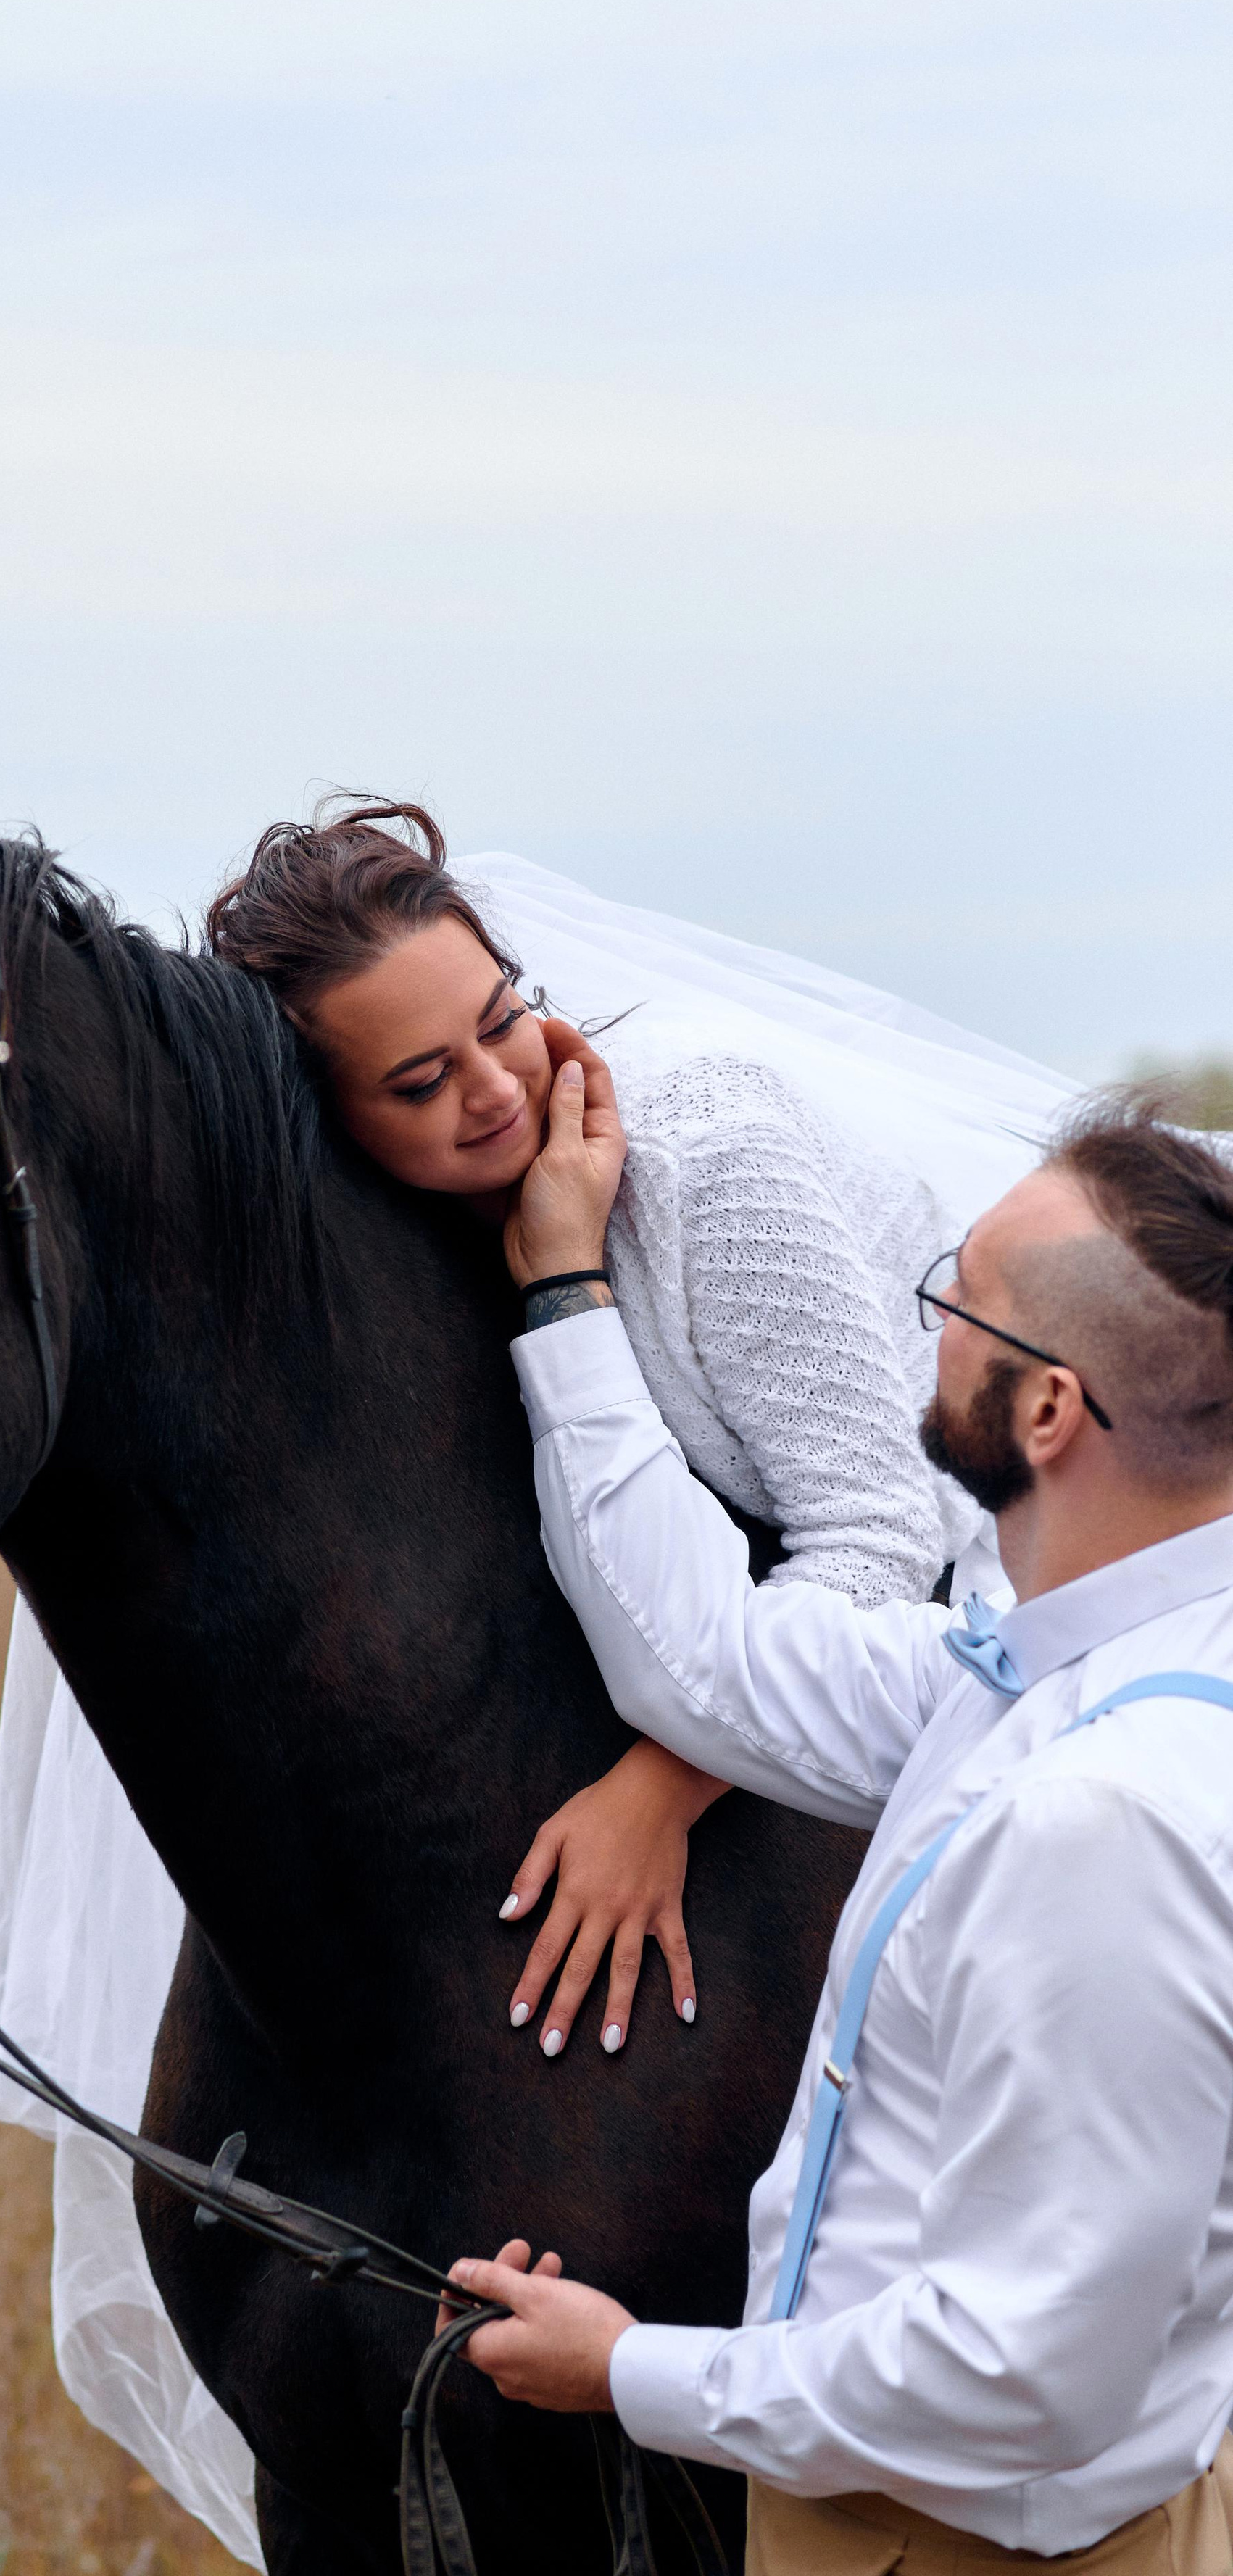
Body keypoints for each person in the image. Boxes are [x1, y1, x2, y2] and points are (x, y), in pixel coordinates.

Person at [0, 816, 1076, 2565]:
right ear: (330, 1119)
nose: (497, 1086)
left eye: (504, 1014)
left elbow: (882, 1538)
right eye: (421, 1078)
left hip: (1000, 1609)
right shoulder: (396, 1247)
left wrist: (661, 1786)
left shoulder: (711, 1147)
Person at [442, 1076, 1233, 2571]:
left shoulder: (1106, 1823)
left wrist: (624, 2371)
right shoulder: (1036, 1665)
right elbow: (704, 1659)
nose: (919, 1326)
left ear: (1047, 1408)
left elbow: (1017, 2372)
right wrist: (563, 1291)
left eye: (956, 1298)